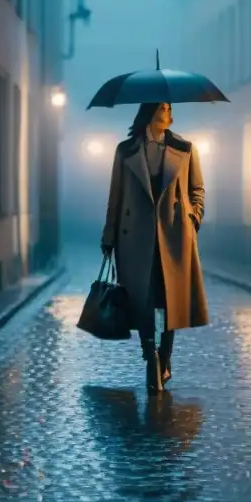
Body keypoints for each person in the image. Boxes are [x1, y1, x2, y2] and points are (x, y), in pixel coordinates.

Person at [100, 102, 209, 394]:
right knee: (142, 300)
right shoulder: (126, 150)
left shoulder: (185, 148)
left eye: (170, 108)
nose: (169, 114)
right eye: (163, 108)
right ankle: (150, 358)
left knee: (171, 299)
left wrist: (193, 217)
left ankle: (166, 355)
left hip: (174, 236)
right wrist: (109, 236)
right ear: (150, 113)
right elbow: (116, 195)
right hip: (135, 238)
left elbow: (196, 189)